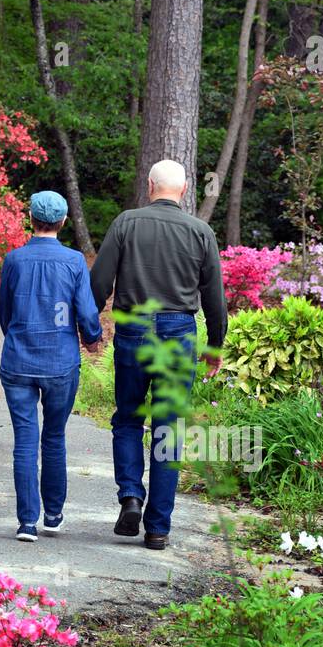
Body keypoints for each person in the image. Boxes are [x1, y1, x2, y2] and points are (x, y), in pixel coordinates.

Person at [90, 159, 228, 550]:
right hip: (178, 333)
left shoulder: (126, 223)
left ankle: (131, 496)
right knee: (168, 428)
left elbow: (99, 282)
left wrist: (90, 328)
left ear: (150, 185)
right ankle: (158, 528)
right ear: (184, 190)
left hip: (134, 330)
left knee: (129, 418)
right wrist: (214, 346)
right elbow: (215, 298)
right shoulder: (201, 231)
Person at [0, 190, 102, 542]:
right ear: (62, 222)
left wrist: (16, 336)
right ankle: (53, 515)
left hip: (18, 360)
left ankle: (27, 521)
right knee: (54, 436)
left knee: (24, 440)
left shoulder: (13, 260)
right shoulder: (74, 262)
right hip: (60, 362)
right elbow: (86, 311)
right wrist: (92, 339)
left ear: (31, 220)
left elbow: (5, 311)